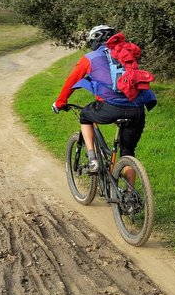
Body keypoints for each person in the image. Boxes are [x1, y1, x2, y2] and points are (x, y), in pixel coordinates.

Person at [52, 25, 157, 185]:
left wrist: (60, 103)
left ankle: (93, 159)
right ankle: (129, 199)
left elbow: (70, 82)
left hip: (110, 107)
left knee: (85, 115)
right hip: (137, 109)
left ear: (93, 41)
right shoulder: (126, 54)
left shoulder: (90, 58)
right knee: (128, 152)